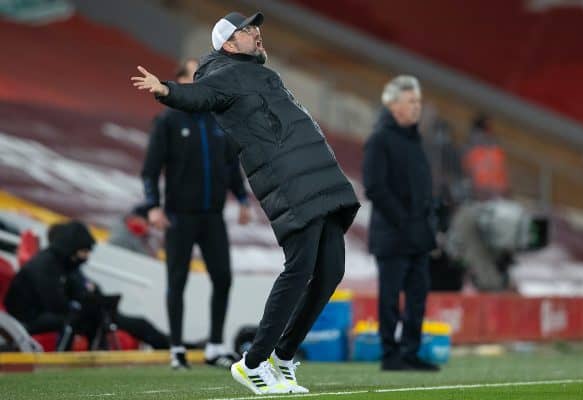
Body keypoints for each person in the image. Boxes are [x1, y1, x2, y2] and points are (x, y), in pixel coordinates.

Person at [132, 11, 359, 394]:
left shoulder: (261, 73)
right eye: (247, 30)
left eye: (256, 28)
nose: (256, 34)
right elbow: (198, 96)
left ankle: (283, 358)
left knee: (331, 271)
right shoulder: (223, 75)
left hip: (319, 178)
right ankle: (253, 363)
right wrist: (166, 89)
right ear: (228, 44)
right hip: (292, 183)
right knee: (300, 268)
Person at [140, 58, 252, 369]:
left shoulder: (219, 119)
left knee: (223, 278)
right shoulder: (168, 121)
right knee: (177, 281)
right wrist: (152, 207)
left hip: (212, 216)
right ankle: (176, 348)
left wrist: (242, 200)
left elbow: (230, 166)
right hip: (179, 215)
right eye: (195, 75)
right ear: (179, 81)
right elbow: (150, 170)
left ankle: (215, 346)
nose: (204, 80)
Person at [362, 75, 440, 372]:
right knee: (391, 298)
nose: (417, 107)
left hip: (418, 235)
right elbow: (374, 187)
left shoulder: (415, 139)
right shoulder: (379, 139)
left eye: (418, 101)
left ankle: (410, 352)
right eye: (411, 101)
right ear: (392, 104)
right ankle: (390, 354)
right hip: (392, 235)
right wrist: (404, 220)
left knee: (418, 297)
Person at [4, 221, 177, 351]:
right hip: (28, 318)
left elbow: (80, 291)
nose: (86, 256)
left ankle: (173, 345)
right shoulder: (44, 265)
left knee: (103, 318)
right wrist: (84, 306)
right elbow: (55, 304)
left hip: (51, 314)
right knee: (81, 319)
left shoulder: (66, 265)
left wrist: (96, 300)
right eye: (84, 252)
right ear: (72, 248)